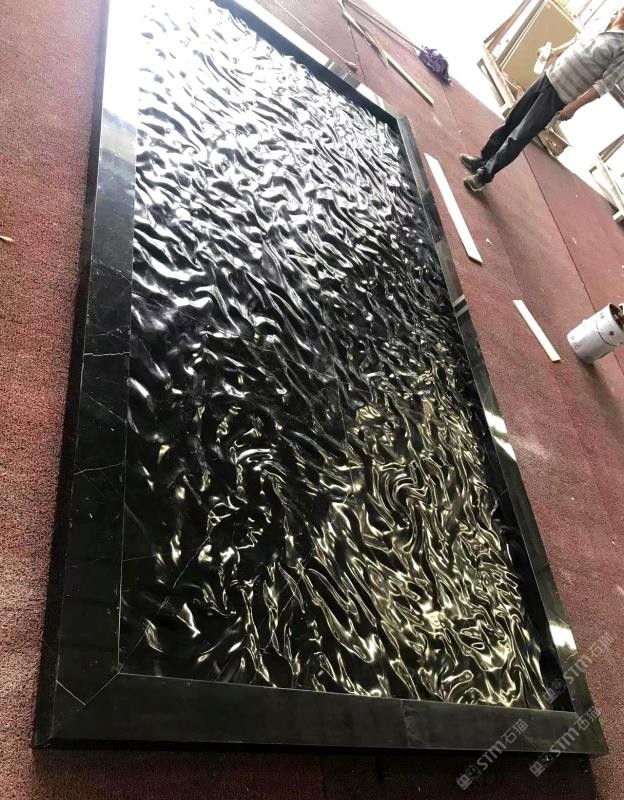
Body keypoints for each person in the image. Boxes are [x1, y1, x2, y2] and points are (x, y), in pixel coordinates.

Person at [462, 7, 624, 192]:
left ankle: (484, 176)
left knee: (519, 136)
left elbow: (604, 85)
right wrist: (554, 52)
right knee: (512, 121)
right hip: (548, 76)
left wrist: (573, 106)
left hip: (560, 95)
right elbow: (577, 41)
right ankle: (483, 159)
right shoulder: (605, 18)